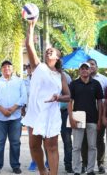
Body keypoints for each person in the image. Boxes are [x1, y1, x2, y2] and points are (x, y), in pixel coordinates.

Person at [21, 20, 70, 175]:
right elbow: (29, 45)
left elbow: (68, 96)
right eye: (48, 50)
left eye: (53, 51)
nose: (49, 51)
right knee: (34, 146)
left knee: (52, 146)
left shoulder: (60, 75)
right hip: (35, 112)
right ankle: (43, 170)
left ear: (58, 56)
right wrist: (31, 26)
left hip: (51, 113)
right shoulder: (38, 67)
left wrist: (58, 97)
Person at [0, 60, 27, 174]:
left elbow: (23, 97)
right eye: (4, 67)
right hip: (0, 118)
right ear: (1, 69)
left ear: (12, 68)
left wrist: (13, 108)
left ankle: (15, 165)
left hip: (15, 117)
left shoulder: (19, 81)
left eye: (9, 67)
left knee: (15, 142)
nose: (7, 69)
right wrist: (2, 109)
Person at [68, 62, 103, 175]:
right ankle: (77, 170)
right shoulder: (73, 84)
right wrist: (71, 118)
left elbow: (100, 102)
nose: (84, 70)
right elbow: (70, 102)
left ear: (90, 70)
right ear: (79, 71)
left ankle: (90, 169)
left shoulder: (96, 84)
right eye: (82, 68)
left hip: (92, 118)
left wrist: (99, 119)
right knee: (76, 147)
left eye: (86, 68)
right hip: (78, 118)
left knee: (92, 146)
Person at [81, 58, 107, 174]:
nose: (91, 66)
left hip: (99, 114)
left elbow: (106, 99)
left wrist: (103, 116)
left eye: (93, 64)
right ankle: (85, 163)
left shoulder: (104, 80)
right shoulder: (79, 80)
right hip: (83, 116)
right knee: (84, 141)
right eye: (88, 65)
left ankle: (100, 163)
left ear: (97, 66)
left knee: (99, 140)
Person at [60, 71, 74, 173]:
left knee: (67, 140)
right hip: (50, 112)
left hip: (65, 112)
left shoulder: (66, 76)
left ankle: (68, 164)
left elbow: (70, 95)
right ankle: (50, 163)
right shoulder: (45, 74)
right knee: (49, 139)